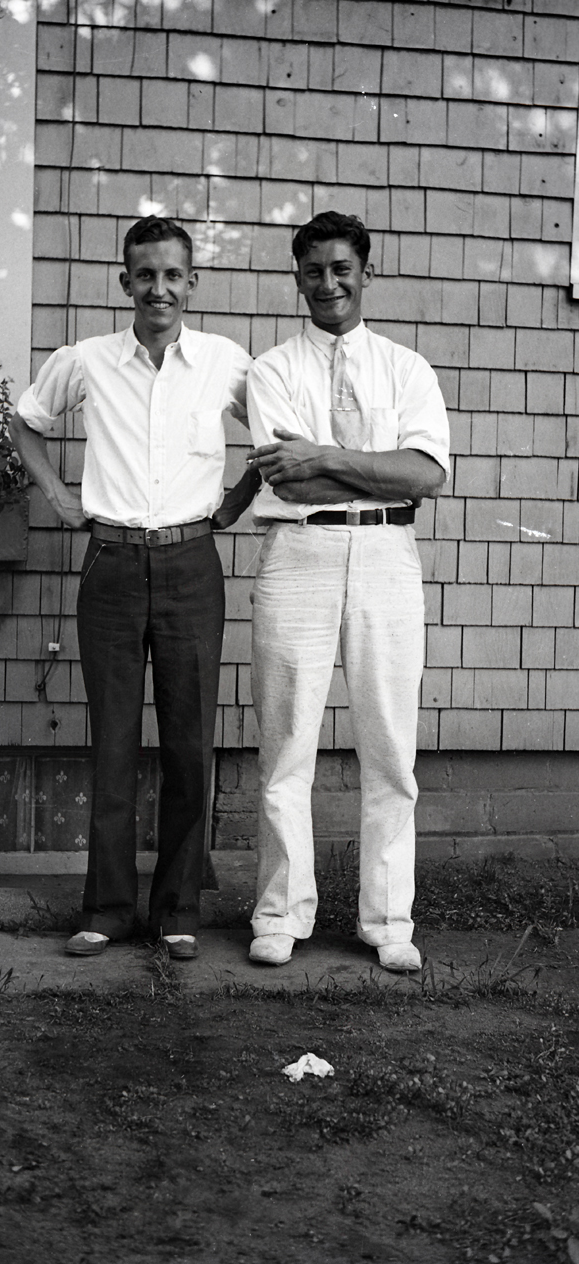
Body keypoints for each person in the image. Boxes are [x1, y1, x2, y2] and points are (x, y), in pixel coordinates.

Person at [10, 216, 258, 959]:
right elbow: (25, 423)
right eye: (145, 275)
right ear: (125, 282)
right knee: (113, 742)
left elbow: (277, 434)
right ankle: (108, 908)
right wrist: (57, 494)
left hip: (190, 565)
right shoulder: (86, 360)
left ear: (191, 283)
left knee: (188, 743)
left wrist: (237, 499)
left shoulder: (223, 362)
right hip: (112, 565)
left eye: (172, 275)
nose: (159, 288)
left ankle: (178, 909)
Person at [245, 210, 450, 972]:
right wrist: (376, 467)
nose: (327, 283)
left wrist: (326, 457)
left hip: (387, 554)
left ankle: (387, 920)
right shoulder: (271, 370)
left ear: (365, 272)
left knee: (389, 746)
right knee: (286, 744)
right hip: (298, 552)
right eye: (313, 271)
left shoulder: (405, 369)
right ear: (296, 277)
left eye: (341, 268)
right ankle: (280, 912)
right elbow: (287, 481)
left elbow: (424, 474)